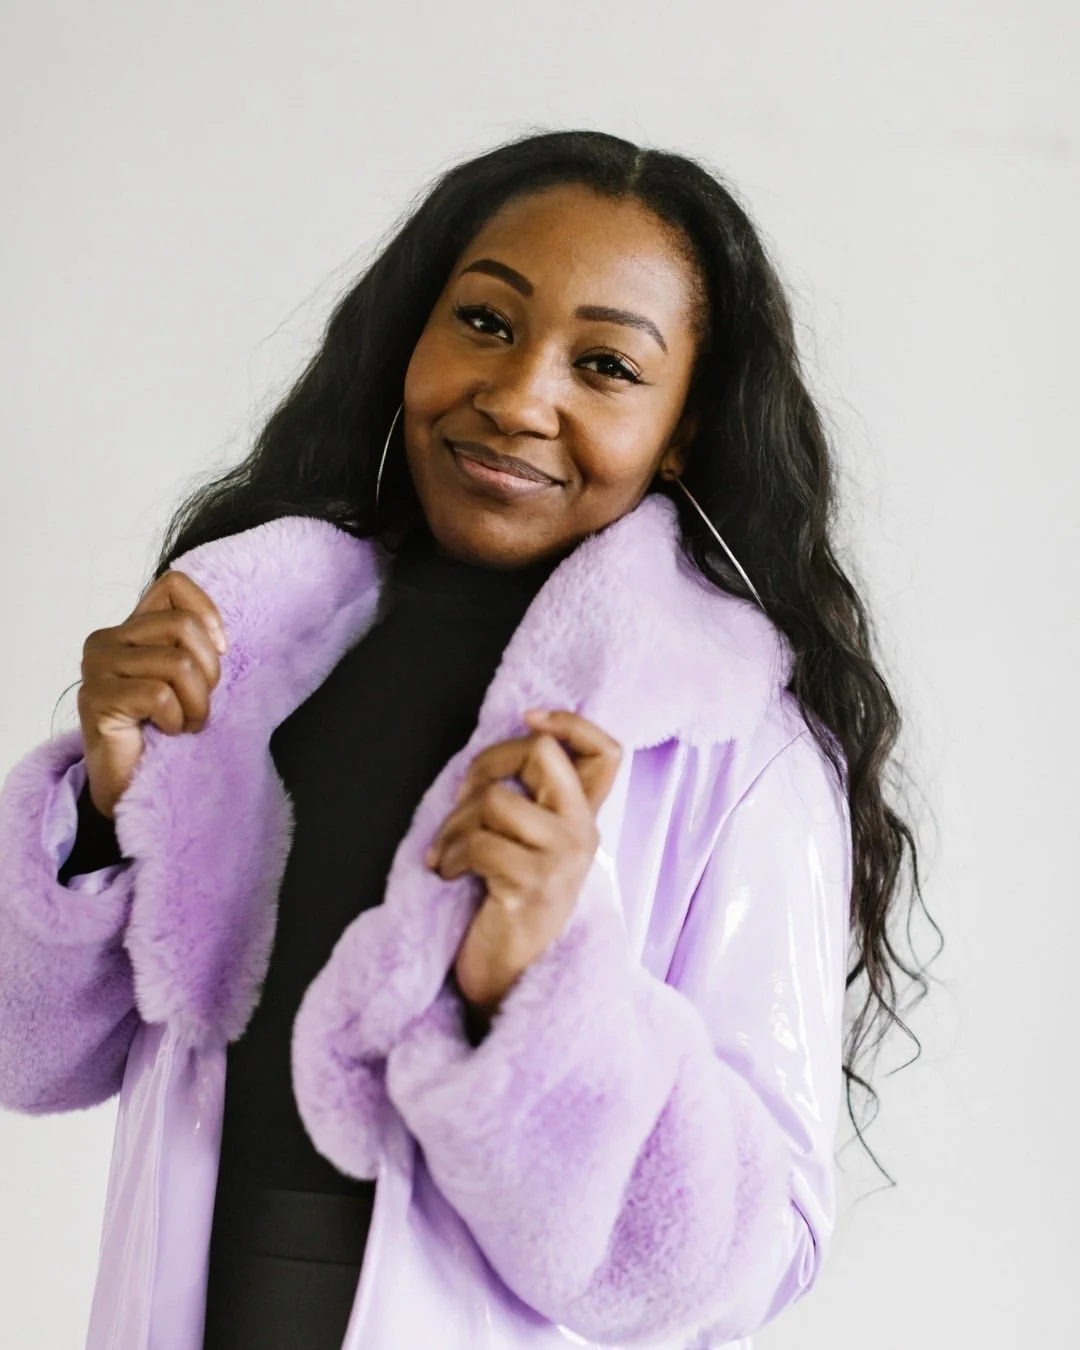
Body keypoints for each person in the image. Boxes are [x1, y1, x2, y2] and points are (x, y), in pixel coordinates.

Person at [0, 129, 926, 1350]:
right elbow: (32, 1053)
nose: (520, 394)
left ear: (684, 429)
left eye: (604, 364)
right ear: (412, 339)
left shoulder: (728, 746)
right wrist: (107, 809)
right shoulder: (255, 649)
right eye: (486, 323)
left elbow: (762, 1256)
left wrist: (538, 989)